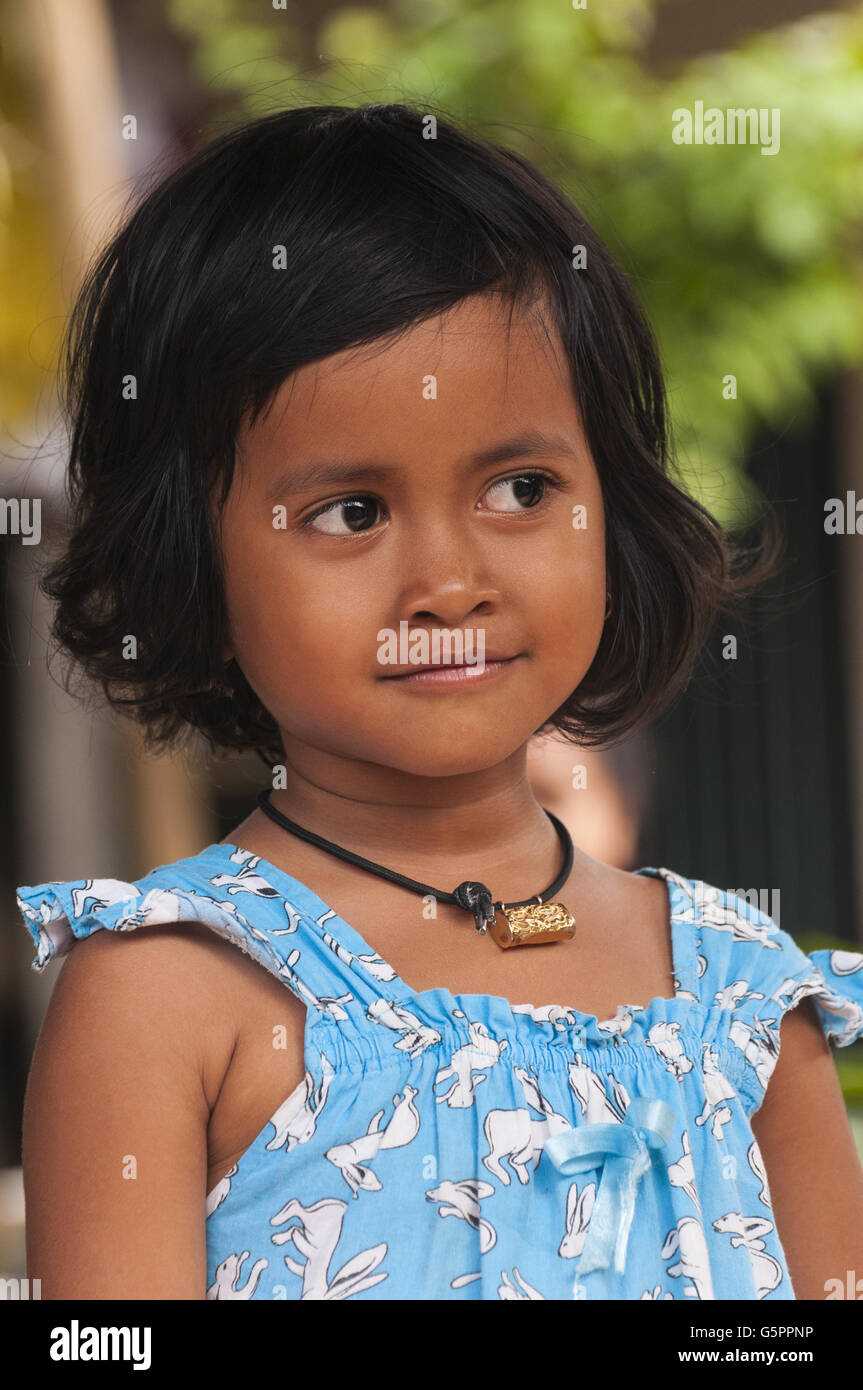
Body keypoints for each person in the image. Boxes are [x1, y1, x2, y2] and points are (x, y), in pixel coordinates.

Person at [16, 102, 863, 1302]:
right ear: (189, 558)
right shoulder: (165, 995)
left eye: (520, 487)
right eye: (350, 511)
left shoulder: (739, 998)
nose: (450, 580)